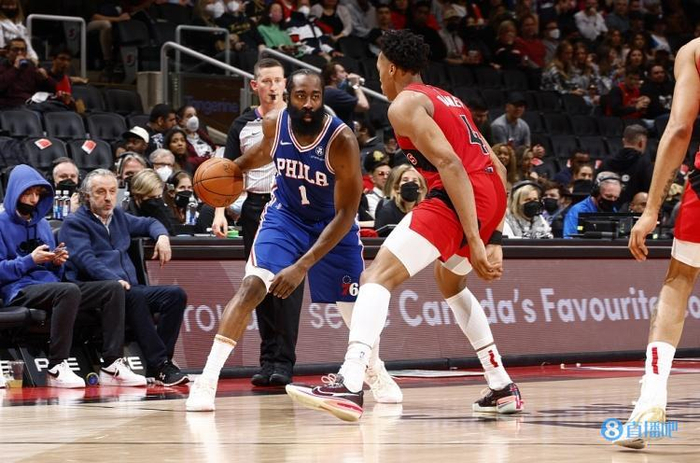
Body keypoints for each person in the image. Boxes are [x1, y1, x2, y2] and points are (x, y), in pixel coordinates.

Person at [285, 30, 523, 422]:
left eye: (380, 65)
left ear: (392, 67)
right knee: (450, 283)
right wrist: (492, 233)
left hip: (459, 193)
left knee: (376, 276)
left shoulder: (404, 104)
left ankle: (349, 382)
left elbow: (450, 164)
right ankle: (501, 384)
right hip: (490, 193)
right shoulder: (446, 98)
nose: (378, 73)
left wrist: (476, 239)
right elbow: (497, 165)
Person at [186, 69, 402, 412]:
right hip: (285, 218)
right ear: (289, 96)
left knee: (353, 311)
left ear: (322, 98)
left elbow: (347, 213)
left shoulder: (341, 140)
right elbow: (263, 152)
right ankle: (207, 379)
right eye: (301, 96)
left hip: (333, 225)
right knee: (252, 286)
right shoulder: (275, 123)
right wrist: (233, 169)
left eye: (315, 97)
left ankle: (374, 370)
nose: (308, 104)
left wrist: (302, 266)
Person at [620, 38, 700, 449]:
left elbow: (680, 128)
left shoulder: (694, 51)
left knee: (678, 283)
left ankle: (650, 403)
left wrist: (651, 209)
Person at [0, 165, 146, 388]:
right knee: (68, 290)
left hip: (49, 286)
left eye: (37, 194)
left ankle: (111, 365)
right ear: (14, 193)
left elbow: (53, 272)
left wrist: (56, 263)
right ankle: (56, 366)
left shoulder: (42, 225)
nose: (33, 199)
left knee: (112, 288)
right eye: (28, 193)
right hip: (18, 289)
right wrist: (30, 260)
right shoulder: (1, 224)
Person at [59, 169, 189, 387]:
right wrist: (113, 279)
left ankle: (162, 363)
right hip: (97, 289)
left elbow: (150, 223)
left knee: (175, 295)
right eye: (101, 192)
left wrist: (162, 237)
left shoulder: (118, 216)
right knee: (133, 295)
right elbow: (86, 260)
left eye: (112, 191)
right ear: (87, 196)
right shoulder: (74, 223)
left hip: (129, 288)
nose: (108, 197)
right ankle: (160, 365)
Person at [221, 58, 305, 387]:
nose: (272, 87)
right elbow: (227, 172)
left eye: (277, 81)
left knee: (286, 287)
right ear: (254, 86)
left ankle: (284, 362)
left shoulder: (300, 119)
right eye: (266, 81)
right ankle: (268, 360)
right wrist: (219, 211)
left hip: (290, 207)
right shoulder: (241, 124)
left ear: (286, 84)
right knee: (258, 286)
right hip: (254, 207)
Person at [599, 124, 652, 206]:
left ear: (623, 141)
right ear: (641, 143)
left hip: (606, 209)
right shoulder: (644, 163)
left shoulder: (606, 161)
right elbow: (650, 192)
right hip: (632, 211)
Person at [0, 37, 56, 109]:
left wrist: (46, 78)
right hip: (10, 106)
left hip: (31, 104)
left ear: (26, 53)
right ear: (7, 53)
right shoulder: (2, 68)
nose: (19, 53)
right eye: (15, 50)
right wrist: (15, 69)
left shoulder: (30, 68)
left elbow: (54, 89)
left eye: (22, 50)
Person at [563, 171, 622, 238]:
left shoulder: (612, 210)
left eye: (616, 197)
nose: (612, 200)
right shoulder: (578, 210)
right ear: (596, 193)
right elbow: (569, 239)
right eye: (608, 196)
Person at [374, 164, 426, 236]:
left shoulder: (425, 212)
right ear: (397, 188)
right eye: (405, 180)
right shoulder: (387, 212)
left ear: (421, 189)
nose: (410, 183)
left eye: (414, 180)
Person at [124, 169, 176, 235]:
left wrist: (160, 214)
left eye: (159, 196)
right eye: (151, 197)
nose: (156, 201)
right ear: (137, 196)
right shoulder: (127, 215)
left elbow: (171, 233)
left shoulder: (163, 209)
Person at [322, 61, 369, 126]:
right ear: (333, 77)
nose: (346, 74)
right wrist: (355, 85)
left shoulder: (325, 92)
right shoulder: (334, 93)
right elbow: (364, 106)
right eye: (342, 72)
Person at [177, 105, 215, 170]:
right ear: (181, 121)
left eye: (195, 115)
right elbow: (187, 161)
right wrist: (208, 158)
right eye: (189, 116)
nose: (194, 119)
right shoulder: (180, 139)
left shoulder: (201, 134)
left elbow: (213, 147)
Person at [363, 152, 391, 218]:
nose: (385, 177)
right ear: (372, 178)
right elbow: (378, 218)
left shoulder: (397, 195)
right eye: (381, 173)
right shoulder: (369, 198)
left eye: (388, 174)